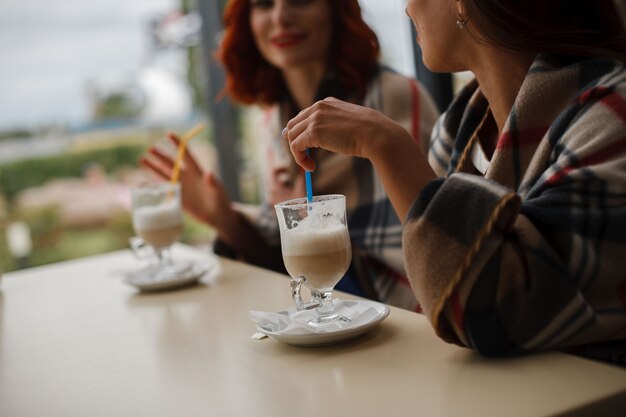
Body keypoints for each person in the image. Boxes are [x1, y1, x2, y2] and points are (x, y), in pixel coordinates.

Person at [283, 0, 626, 362]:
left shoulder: (613, 116)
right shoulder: (458, 127)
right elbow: (438, 300)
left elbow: (499, 314)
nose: (407, 9)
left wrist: (388, 147)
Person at [141, 0, 440, 310]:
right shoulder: (272, 118)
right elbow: (294, 271)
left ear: (336, 9)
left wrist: (309, 219)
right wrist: (224, 219)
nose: (281, 17)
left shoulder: (392, 99)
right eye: (264, 4)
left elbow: (431, 261)